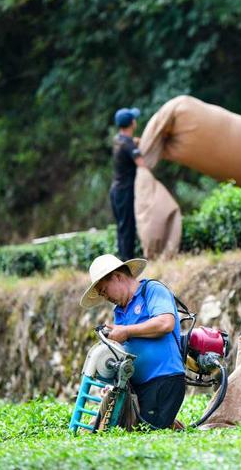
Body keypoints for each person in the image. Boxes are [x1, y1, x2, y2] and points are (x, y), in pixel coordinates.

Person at [80, 254, 186, 429]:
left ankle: (173, 426)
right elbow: (124, 353)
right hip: (136, 387)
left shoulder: (152, 290)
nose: (105, 297)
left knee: (147, 433)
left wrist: (127, 331)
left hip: (164, 379)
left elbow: (166, 323)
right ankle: (171, 425)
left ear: (117, 277)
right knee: (120, 428)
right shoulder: (119, 312)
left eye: (104, 290)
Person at [110, 107, 146, 261]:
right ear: (133, 123)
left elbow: (128, 143)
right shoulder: (128, 145)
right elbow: (142, 164)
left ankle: (123, 261)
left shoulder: (118, 140)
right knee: (128, 228)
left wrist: (135, 142)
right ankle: (127, 263)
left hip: (116, 190)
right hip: (125, 191)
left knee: (122, 228)